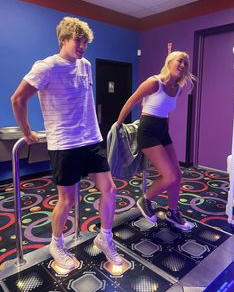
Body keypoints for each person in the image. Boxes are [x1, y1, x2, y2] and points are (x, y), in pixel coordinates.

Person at [11, 16, 123, 269]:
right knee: (67, 200)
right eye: (78, 41)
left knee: (110, 189)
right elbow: (18, 99)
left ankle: (105, 238)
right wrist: (27, 132)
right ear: (63, 39)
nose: (82, 46)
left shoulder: (85, 65)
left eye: (85, 42)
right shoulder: (46, 66)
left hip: (91, 139)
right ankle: (56, 243)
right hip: (64, 143)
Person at [116, 51, 196, 231]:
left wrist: (165, 131)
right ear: (169, 62)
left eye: (186, 63)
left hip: (162, 130)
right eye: (180, 61)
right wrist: (118, 124)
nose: (183, 65)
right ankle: (146, 199)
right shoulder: (154, 82)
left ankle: (173, 213)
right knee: (170, 176)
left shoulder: (178, 88)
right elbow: (132, 101)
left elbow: (165, 111)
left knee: (177, 175)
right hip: (148, 130)